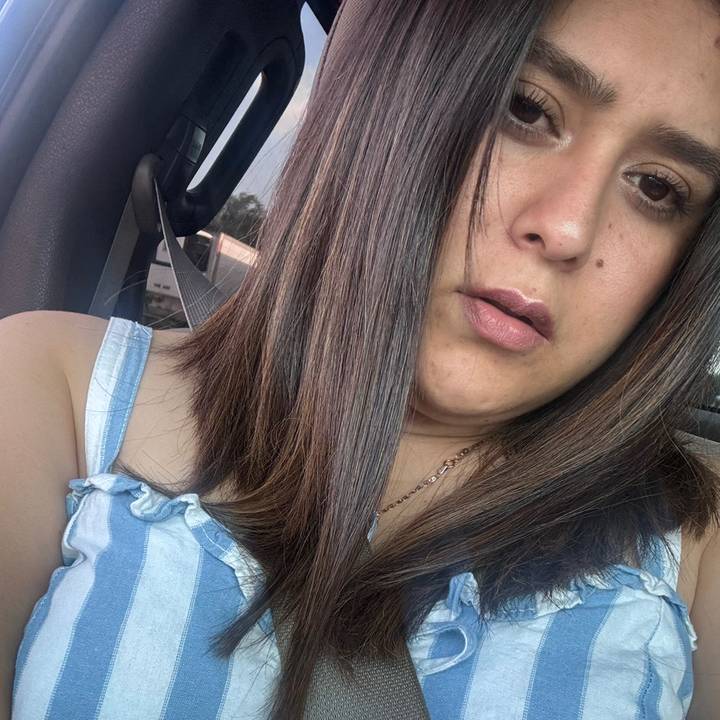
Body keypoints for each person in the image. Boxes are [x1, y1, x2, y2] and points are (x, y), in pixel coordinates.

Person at [5, 0, 720, 717]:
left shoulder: (697, 545)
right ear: (390, 94)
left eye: (658, 187)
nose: (568, 229)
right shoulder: (51, 387)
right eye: (527, 109)